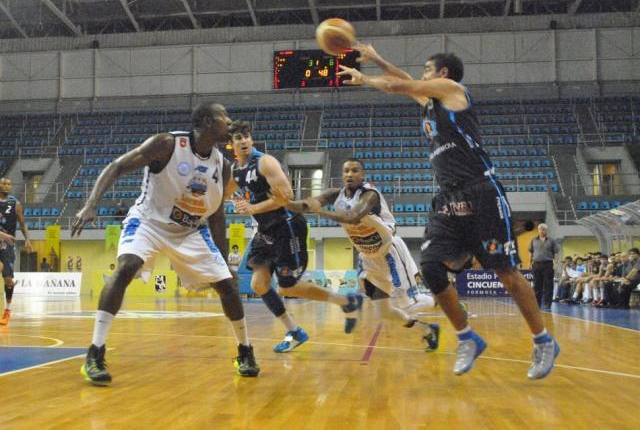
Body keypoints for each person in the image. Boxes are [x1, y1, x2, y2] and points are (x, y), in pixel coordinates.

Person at [337, 46, 559, 379]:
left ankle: (543, 341)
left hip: (481, 191)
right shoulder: (430, 103)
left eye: (427, 70)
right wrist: (379, 59)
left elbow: (402, 85)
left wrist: (366, 77)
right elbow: (406, 81)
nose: (421, 75)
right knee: (431, 269)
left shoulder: (454, 91)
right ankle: (467, 337)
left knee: (506, 274)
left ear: (442, 73)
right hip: (447, 198)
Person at [72, 102, 259, 386]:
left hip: (190, 230)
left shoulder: (221, 165)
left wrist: (221, 260)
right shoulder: (167, 144)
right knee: (126, 268)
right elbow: (117, 166)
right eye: (225, 117)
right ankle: (95, 353)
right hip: (148, 222)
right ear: (207, 122)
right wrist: (90, 205)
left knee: (228, 287)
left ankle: (245, 352)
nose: (230, 122)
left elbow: (218, 215)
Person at [274, 158, 441, 350]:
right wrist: (286, 203)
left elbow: (352, 217)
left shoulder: (370, 195)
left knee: (408, 305)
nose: (350, 174)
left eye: (354, 171)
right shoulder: (335, 194)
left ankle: (441, 298)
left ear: (362, 175)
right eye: (346, 171)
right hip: (368, 258)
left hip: (390, 253)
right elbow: (306, 205)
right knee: (385, 311)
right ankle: (427, 330)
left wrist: (321, 213)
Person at [226, 121, 363, 353]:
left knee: (287, 288)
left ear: (251, 138)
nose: (244, 141)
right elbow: (224, 193)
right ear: (232, 144)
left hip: (286, 226)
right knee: (258, 284)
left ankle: (344, 301)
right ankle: (295, 331)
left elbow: (286, 196)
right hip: (265, 231)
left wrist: (251, 208)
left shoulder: (265, 162)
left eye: (246, 136)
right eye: (238, 138)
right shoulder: (235, 170)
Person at [0, 177, 32, 326]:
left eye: (9, 184)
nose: (6, 186)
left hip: (8, 245)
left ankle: (7, 310)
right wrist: (2, 235)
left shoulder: (16, 203)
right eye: (4, 184)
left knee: (8, 279)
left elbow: (22, 223)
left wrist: (27, 239)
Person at [528, 223, 559, 310]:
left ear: (546, 230)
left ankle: (547, 304)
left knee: (548, 284)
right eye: (540, 229)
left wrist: (555, 264)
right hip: (537, 264)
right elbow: (530, 252)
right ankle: (537, 304)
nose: (542, 231)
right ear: (538, 230)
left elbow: (556, 253)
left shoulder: (552, 241)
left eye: (543, 229)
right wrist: (530, 263)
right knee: (537, 285)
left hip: (548, 264)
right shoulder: (533, 240)